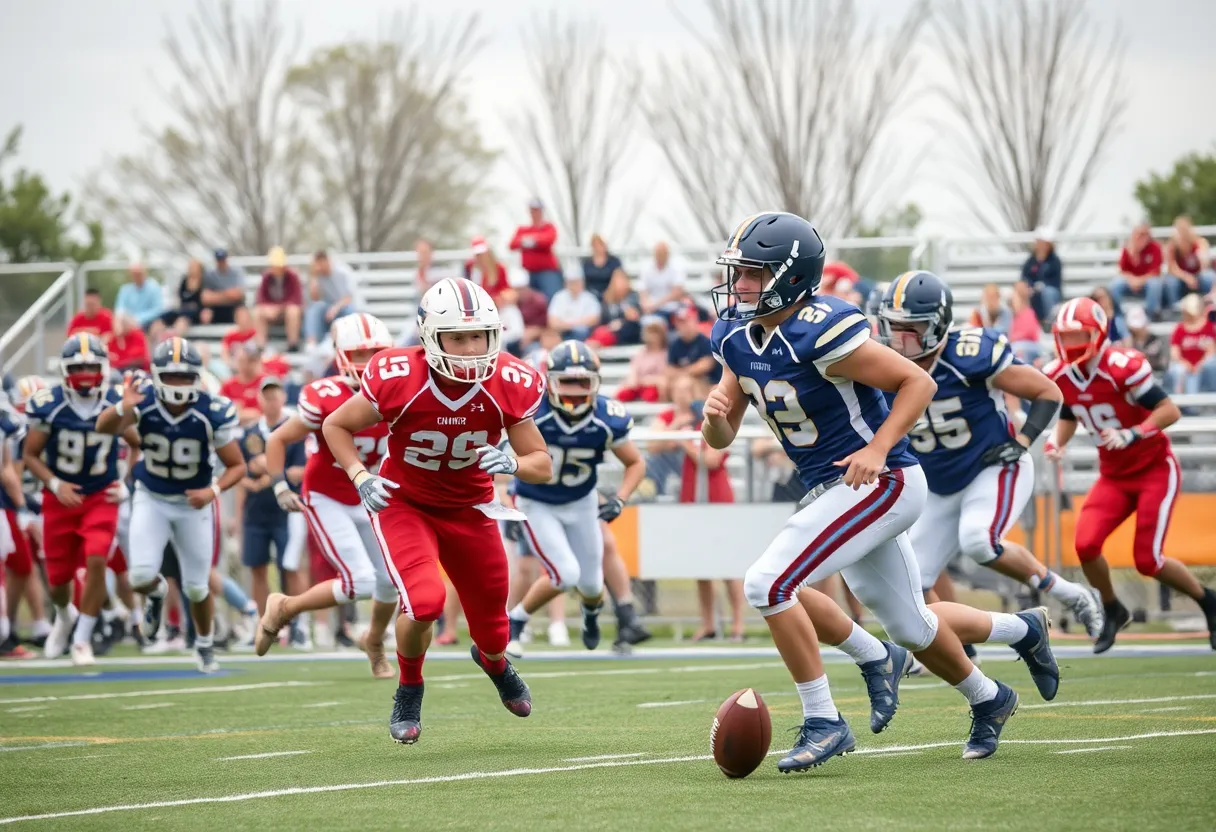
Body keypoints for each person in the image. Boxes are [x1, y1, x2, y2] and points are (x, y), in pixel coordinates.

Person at [704, 212, 1022, 769]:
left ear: (790, 276)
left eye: (754, 273)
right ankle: (989, 694)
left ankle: (826, 717)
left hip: (880, 480)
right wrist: (713, 420)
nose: (741, 285)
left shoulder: (820, 327)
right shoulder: (735, 333)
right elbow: (723, 429)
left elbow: (916, 381)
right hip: (836, 487)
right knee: (911, 623)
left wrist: (877, 449)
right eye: (740, 272)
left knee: (767, 582)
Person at [320, 277, 552, 745]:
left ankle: (494, 662)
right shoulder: (397, 375)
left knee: (494, 633)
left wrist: (513, 462)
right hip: (407, 505)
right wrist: (361, 477)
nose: (469, 349)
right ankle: (409, 687)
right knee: (424, 602)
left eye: (478, 336)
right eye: (457, 337)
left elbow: (542, 464)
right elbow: (335, 425)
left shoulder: (508, 381)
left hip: (473, 508)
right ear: (429, 337)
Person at [877, 271, 1101, 654]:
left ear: (937, 325)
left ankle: (1067, 592)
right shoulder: (882, 365)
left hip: (991, 466)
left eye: (912, 328)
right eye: (893, 328)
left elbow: (1048, 392)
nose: (901, 339)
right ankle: (957, 648)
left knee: (979, 541)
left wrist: (1024, 440)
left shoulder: (969, 353)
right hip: (939, 484)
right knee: (910, 580)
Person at [1045, 297, 1216, 652]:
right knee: (1086, 544)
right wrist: (1057, 442)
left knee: (1147, 560)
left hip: (1154, 469)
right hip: (1113, 475)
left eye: (1080, 336)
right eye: (1067, 336)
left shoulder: (1122, 366)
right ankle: (1112, 607)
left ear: (1098, 334)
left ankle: (1208, 601)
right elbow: (1070, 411)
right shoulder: (1060, 374)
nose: (1072, 345)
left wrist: (1133, 433)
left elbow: (1168, 410)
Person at [255, 314, 400, 679]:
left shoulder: (400, 391)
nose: (368, 362)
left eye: (376, 353)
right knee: (361, 581)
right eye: (360, 353)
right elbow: (277, 439)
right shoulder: (326, 395)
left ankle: (375, 642)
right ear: (340, 356)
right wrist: (278, 485)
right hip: (327, 495)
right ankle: (285, 606)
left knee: (389, 582)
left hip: (370, 496)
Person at [95, 338, 247, 674]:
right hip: (152, 496)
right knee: (139, 575)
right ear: (158, 376)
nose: (178, 384)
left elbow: (237, 466)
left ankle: (205, 646)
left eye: (184, 376)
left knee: (196, 586)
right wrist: (123, 406)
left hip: (194, 504)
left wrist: (213, 490)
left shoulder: (211, 411)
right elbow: (102, 427)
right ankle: (156, 592)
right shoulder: (143, 402)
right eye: (172, 376)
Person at [504, 341, 646, 659]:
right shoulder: (532, 413)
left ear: (596, 382)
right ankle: (514, 624)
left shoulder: (607, 417)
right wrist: (508, 501)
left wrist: (621, 499)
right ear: (550, 381)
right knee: (565, 574)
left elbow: (635, 462)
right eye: (566, 381)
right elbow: (508, 462)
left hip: (582, 503)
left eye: (583, 382)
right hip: (537, 502)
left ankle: (590, 615)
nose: (575, 390)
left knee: (593, 587)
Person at [21, 336, 138, 665]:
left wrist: (127, 483)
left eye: (90, 366)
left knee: (98, 559)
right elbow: (30, 455)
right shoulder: (50, 403)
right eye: (77, 367)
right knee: (58, 581)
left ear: (103, 368)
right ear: (64, 370)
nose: (84, 372)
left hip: (101, 494)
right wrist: (56, 484)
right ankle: (64, 615)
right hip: (60, 498)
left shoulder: (114, 402)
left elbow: (137, 444)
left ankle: (83, 639)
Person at [236, 378, 307, 633]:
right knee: (257, 567)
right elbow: (242, 469)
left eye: (275, 396)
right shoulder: (250, 433)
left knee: (290, 566)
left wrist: (270, 471)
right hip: (256, 510)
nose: (271, 401)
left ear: (282, 399)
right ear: (260, 400)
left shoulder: (294, 431)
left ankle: (297, 624)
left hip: (286, 508)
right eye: (266, 397)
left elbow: (301, 471)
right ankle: (265, 623)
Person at [510, 199, 562, 300]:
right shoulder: (523, 229)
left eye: (537, 210)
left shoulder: (548, 227)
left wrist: (529, 240)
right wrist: (533, 240)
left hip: (547, 272)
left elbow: (548, 240)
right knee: (530, 302)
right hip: (529, 272)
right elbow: (513, 244)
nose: (535, 213)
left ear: (541, 211)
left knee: (552, 299)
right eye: (532, 210)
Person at [304, 251, 357, 347]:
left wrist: (335, 308)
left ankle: (350, 343)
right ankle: (312, 344)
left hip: (344, 306)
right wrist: (314, 277)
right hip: (328, 307)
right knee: (313, 309)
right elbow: (315, 298)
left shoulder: (342, 272)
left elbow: (348, 298)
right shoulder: (318, 275)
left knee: (349, 311)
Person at [1020, 228, 1062, 322]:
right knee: (1021, 292)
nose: (1040, 245)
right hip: (1032, 290)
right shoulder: (1031, 261)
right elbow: (1024, 276)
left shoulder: (1054, 261)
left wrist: (1042, 285)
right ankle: (1025, 323)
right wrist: (1030, 286)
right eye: (1039, 242)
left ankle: (1050, 322)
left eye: (1043, 243)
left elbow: (1055, 282)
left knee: (1048, 293)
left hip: (1050, 291)